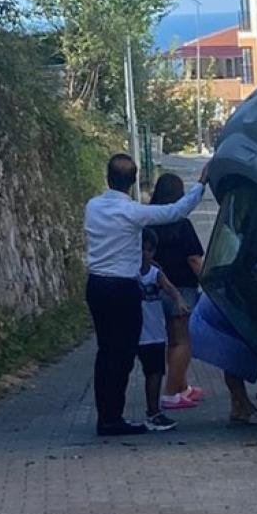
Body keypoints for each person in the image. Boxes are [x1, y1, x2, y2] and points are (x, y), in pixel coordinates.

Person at [84, 153, 207, 437]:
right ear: (134, 179)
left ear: (107, 177)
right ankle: (113, 419)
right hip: (123, 288)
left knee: (106, 352)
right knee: (124, 354)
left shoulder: (92, 207)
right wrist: (201, 185)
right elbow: (175, 212)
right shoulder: (132, 213)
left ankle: (106, 414)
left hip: (96, 286)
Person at [149, 173, 207, 411]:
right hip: (182, 288)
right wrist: (208, 281)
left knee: (171, 341)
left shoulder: (149, 221)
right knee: (182, 341)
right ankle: (172, 393)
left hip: (157, 287)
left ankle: (181, 387)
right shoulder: (182, 224)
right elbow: (194, 259)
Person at [189, 293, 257, 426]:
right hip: (221, 311)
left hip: (219, 309)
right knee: (233, 361)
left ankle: (238, 408)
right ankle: (246, 408)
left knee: (233, 361)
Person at [138, 228, 192, 432]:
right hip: (135, 332)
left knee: (155, 373)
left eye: (149, 250)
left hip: (153, 333)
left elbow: (170, 288)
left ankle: (153, 412)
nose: (144, 253)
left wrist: (179, 301)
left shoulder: (154, 273)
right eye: (141, 248)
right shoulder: (126, 272)